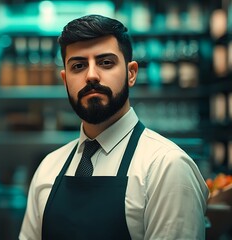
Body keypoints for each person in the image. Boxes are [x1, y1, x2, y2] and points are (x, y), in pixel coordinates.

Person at [19, 14, 209, 240]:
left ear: (131, 74)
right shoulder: (48, 168)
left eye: (105, 62)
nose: (91, 75)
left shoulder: (166, 167)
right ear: (65, 79)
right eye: (78, 66)